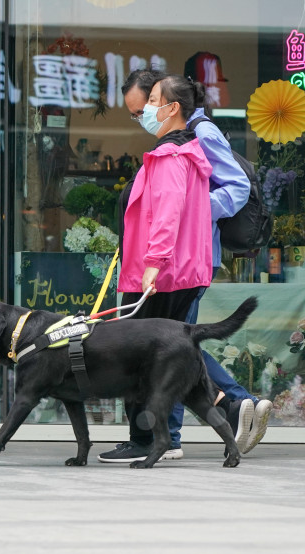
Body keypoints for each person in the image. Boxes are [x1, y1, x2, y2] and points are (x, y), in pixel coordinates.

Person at [101, 69, 273, 462]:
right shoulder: (175, 145)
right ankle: (199, 421)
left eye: (142, 109)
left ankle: (225, 406)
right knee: (174, 342)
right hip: (178, 260)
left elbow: (236, 188)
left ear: (165, 104)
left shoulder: (194, 138)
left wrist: (191, 217)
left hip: (178, 262)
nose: (140, 117)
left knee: (169, 345)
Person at [96, 75, 215, 464]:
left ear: (172, 108)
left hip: (160, 278)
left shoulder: (169, 156)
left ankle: (145, 439)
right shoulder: (190, 153)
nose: (147, 108)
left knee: (138, 358)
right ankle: (165, 438)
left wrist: (153, 264)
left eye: (152, 100)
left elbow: (167, 213)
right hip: (181, 274)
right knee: (167, 358)